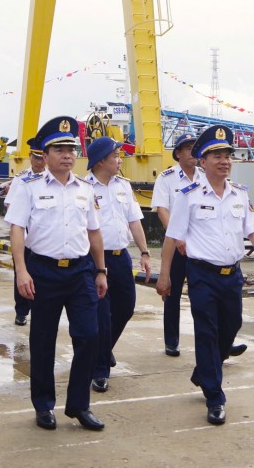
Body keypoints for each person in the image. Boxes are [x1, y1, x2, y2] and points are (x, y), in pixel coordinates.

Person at [156, 125, 254, 426]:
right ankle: (214, 396)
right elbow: (172, 237)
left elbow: (253, 228)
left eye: (227, 155)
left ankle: (203, 372)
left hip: (231, 275)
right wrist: (165, 275)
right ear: (203, 160)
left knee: (232, 324)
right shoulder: (189, 196)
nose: (224, 160)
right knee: (207, 332)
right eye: (217, 155)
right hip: (202, 275)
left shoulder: (238, 194)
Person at [7, 116, 107, 432]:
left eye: (71, 149)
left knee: (90, 336)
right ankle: (44, 405)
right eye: (60, 149)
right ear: (45, 153)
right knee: (43, 341)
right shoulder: (28, 188)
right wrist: (21, 271)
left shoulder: (85, 189)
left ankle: (78, 405)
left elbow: (94, 232)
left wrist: (101, 270)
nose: (67, 154)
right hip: (44, 272)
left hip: (80, 272)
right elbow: (17, 230)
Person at [84, 136, 151, 394]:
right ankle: (100, 371)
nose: (119, 160)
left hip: (120, 257)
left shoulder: (123, 186)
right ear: (101, 160)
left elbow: (135, 221)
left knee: (126, 308)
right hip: (93, 260)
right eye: (115, 156)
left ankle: (103, 348)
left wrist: (144, 252)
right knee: (101, 315)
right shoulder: (84, 188)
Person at [150, 134, 203, 357]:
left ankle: (216, 341)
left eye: (195, 148)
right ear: (178, 153)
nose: (193, 152)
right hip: (176, 246)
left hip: (200, 246)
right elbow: (162, 209)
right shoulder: (167, 178)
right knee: (172, 293)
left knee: (204, 295)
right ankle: (171, 341)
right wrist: (177, 236)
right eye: (188, 148)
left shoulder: (206, 176)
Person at [7, 137, 46, 326]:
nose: (40, 162)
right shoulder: (21, 180)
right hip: (24, 236)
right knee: (21, 273)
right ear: (30, 157)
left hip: (42, 237)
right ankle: (21, 311)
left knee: (42, 276)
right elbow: (11, 207)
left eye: (43, 158)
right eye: (36, 157)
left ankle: (39, 310)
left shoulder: (52, 179)